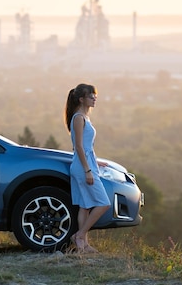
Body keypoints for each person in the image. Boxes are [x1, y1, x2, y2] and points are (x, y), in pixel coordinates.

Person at [64, 83, 110, 253]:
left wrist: (95, 162)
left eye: (95, 95)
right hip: (82, 167)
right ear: (82, 99)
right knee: (103, 203)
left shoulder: (85, 117)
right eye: (91, 96)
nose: (94, 98)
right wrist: (88, 170)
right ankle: (79, 235)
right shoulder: (78, 118)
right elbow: (79, 147)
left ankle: (83, 245)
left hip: (87, 163)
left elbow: (86, 146)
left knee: (85, 206)